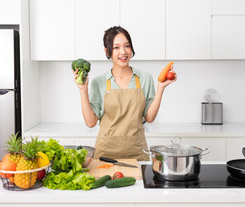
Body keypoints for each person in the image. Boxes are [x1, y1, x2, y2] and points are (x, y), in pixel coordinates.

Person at [73, 26, 176, 161]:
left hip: (137, 153)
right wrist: (83, 89)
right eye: (116, 47)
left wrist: (161, 88)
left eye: (127, 46)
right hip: (105, 154)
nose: (123, 52)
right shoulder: (99, 82)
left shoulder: (145, 78)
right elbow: (90, 122)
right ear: (107, 51)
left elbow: (149, 118)